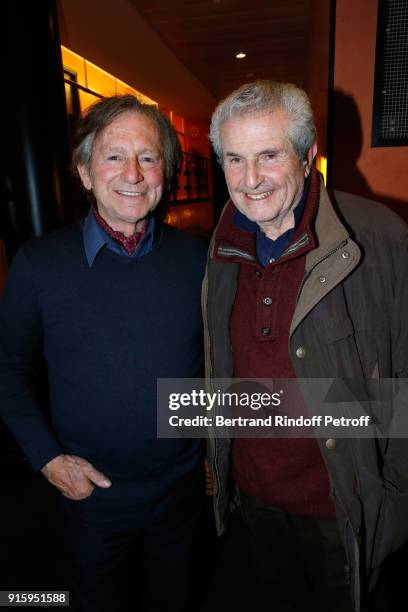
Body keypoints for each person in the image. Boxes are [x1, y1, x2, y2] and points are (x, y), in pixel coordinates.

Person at [203, 80, 408, 612]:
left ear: (308, 154)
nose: (250, 181)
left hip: (342, 505)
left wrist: (397, 496)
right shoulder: (221, 243)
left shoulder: (380, 239)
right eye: (234, 159)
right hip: (255, 501)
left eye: (268, 155)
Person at [0, 95, 207, 612]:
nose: (133, 173)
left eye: (149, 157)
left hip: (181, 492)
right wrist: (47, 459)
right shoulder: (38, 265)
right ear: (85, 172)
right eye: (115, 156)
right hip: (90, 496)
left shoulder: (197, 260)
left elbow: (216, 360)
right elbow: (7, 370)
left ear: (166, 172)